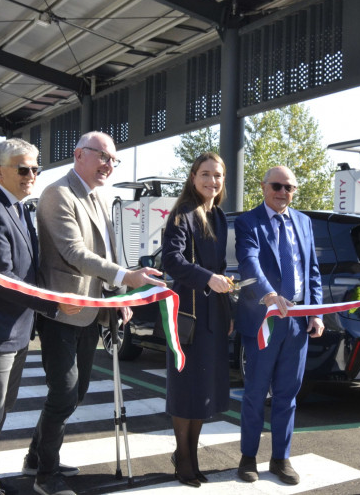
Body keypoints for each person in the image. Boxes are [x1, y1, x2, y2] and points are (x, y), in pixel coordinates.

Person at [24, 131, 163, 495]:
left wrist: (120, 296)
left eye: (113, 159)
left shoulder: (101, 197)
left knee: (78, 390)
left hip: (93, 311)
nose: (109, 165)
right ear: (78, 155)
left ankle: (36, 456)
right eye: (102, 156)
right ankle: (46, 476)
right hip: (62, 311)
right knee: (65, 391)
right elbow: (74, 253)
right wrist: (126, 277)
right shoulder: (58, 193)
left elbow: (109, 255)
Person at [0, 139, 81, 495]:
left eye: (35, 169)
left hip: (14, 330)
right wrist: (54, 306)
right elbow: (4, 281)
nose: (32, 176)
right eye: (23, 169)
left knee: (0, 409)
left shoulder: (16, 208)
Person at [234, 165, 324, 485]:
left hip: (298, 322)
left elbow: (312, 270)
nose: (283, 192)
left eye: (289, 188)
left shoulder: (304, 222)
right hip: (264, 320)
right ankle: (248, 458)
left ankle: (280, 459)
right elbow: (249, 262)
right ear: (263, 187)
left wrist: (316, 313)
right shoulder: (248, 222)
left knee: (287, 394)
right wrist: (270, 295)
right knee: (256, 392)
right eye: (277, 185)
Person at [160, 152, 234, 487]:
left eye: (217, 176)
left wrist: (228, 306)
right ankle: (183, 454)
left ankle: (190, 453)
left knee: (204, 387)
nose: (212, 181)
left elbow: (220, 269)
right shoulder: (181, 214)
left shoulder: (217, 216)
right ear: (193, 177)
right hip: (189, 312)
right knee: (186, 386)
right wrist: (207, 278)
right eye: (205, 175)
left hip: (214, 312)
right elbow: (172, 263)